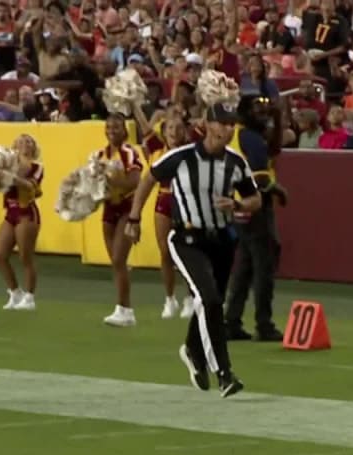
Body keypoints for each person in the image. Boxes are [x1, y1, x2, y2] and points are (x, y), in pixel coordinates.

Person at [125, 103, 261, 399]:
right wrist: (134, 217)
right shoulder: (182, 157)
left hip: (223, 239)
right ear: (208, 125)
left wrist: (237, 205)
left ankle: (192, 349)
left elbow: (255, 199)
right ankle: (224, 373)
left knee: (213, 302)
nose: (227, 129)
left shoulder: (236, 162)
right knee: (208, 299)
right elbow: (149, 177)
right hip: (187, 238)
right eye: (222, 124)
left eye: (231, 124)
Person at [225, 94, 287, 342]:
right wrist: (277, 189)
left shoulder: (238, 135)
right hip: (256, 206)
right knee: (264, 265)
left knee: (244, 266)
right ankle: (264, 323)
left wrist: (279, 118)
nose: (263, 112)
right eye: (257, 108)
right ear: (244, 112)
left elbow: (274, 148)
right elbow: (260, 177)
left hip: (238, 206)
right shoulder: (250, 138)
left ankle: (231, 321)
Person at [134, 104, 194, 320]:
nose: (174, 132)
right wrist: (133, 102)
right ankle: (170, 299)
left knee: (187, 251)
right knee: (165, 252)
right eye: (170, 128)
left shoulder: (191, 148)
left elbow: (207, 119)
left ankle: (190, 298)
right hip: (164, 198)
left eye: (178, 129)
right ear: (164, 130)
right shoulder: (158, 148)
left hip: (186, 201)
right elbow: (143, 125)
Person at [97, 115, 144, 327]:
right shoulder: (101, 154)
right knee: (116, 263)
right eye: (108, 127)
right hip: (108, 210)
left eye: (116, 127)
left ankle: (125, 309)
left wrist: (112, 179)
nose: (111, 130)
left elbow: (134, 182)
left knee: (118, 260)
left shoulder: (129, 153)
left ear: (124, 130)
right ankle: (123, 309)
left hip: (126, 208)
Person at [0, 134, 42, 311]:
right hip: (10, 211)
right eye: (21, 141)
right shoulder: (7, 163)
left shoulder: (37, 167)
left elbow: (30, 187)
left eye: (29, 141)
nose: (25, 143)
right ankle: (15, 293)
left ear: (34, 148)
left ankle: (30, 298)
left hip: (26, 213)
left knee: (25, 256)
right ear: (14, 145)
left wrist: (8, 176)